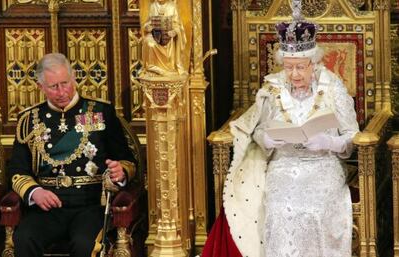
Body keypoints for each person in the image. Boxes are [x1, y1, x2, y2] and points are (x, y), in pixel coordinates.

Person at [201, 1, 359, 256]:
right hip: (283, 164)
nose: (294, 74)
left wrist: (329, 143)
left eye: (300, 67)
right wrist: (267, 140)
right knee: (278, 207)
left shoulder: (333, 88)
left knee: (315, 209)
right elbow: (259, 130)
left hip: (322, 165)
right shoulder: (272, 89)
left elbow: (352, 136)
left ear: (314, 63)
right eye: (288, 67)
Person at [8, 53, 137, 257]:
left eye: (65, 83)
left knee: (84, 244)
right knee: (24, 238)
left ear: (73, 78)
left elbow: (127, 161)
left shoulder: (100, 111)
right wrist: (35, 192)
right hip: (47, 206)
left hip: (90, 205)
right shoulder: (29, 120)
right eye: (53, 86)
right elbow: (17, 170)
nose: (62, 92)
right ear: (40, 87)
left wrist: (120, 172)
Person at [141, 0, 187, 76]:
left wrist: (175, 31)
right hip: (155, 35)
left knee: (169, 41)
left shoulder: (172, 6)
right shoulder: (153, 6)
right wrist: (147, 27)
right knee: (148, 42)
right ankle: (152, 68)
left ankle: (168, 68)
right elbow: (147, 23)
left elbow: (179, 25)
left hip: (168, 37)